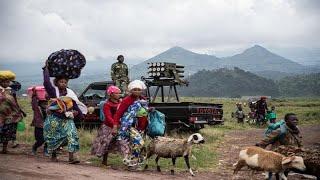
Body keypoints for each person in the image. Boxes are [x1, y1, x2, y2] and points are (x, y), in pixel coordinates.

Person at [114, 80, 149, 167]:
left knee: (137, 145)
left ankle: (135, 162)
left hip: (141, 126)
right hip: (130, 126)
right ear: (131, 90)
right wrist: (115, 126)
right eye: (135, 89)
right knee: (139, 142)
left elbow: (144, 110)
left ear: (141, 90)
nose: (137, 91)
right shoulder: (127, 100)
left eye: (138, 89)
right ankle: (132, 161)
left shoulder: (143, 99)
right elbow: (118, 113)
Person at [44, 96, 82, 164]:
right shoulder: (56, 100)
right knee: (54, 137)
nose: (63, 84)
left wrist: (77, 114)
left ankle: (71, 157)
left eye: (65, 84)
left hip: (67, 120)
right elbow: (48, 110)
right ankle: (53, 154)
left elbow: (77, 111)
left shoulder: (72, 100)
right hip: (55, 120)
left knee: (72, 134)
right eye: (62, 84)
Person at [91, 86, 122, 165]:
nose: (119, 95)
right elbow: (108, 117)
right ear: (111, 94)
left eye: (119, 93)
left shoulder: (120, 103)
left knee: (116, 143)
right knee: (105, 142)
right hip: (108, 127)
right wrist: (115, 124)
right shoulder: (107, 104)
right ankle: (104, 160)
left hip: (117, 125)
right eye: (117, 93)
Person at [0, 72, 23, 154]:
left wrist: (19, 111)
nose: (6, 83)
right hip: (1, 114)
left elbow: (14, 102)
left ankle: (4, 149)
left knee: (6, 132)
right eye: (4, 81)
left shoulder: (11, 91)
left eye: (7, 82)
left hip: (9, 114)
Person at [31, 87, 48, 156]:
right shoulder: (37, 109)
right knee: (40, 140)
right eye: (43, 103)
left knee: (48, 139)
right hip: (39, 126)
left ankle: (46, 150)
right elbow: (34, 102)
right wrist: (34, 94)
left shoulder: (49, 110)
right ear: (40, 104)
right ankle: (34, 147)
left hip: (47, 126)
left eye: (46, 103)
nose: (45, 105)